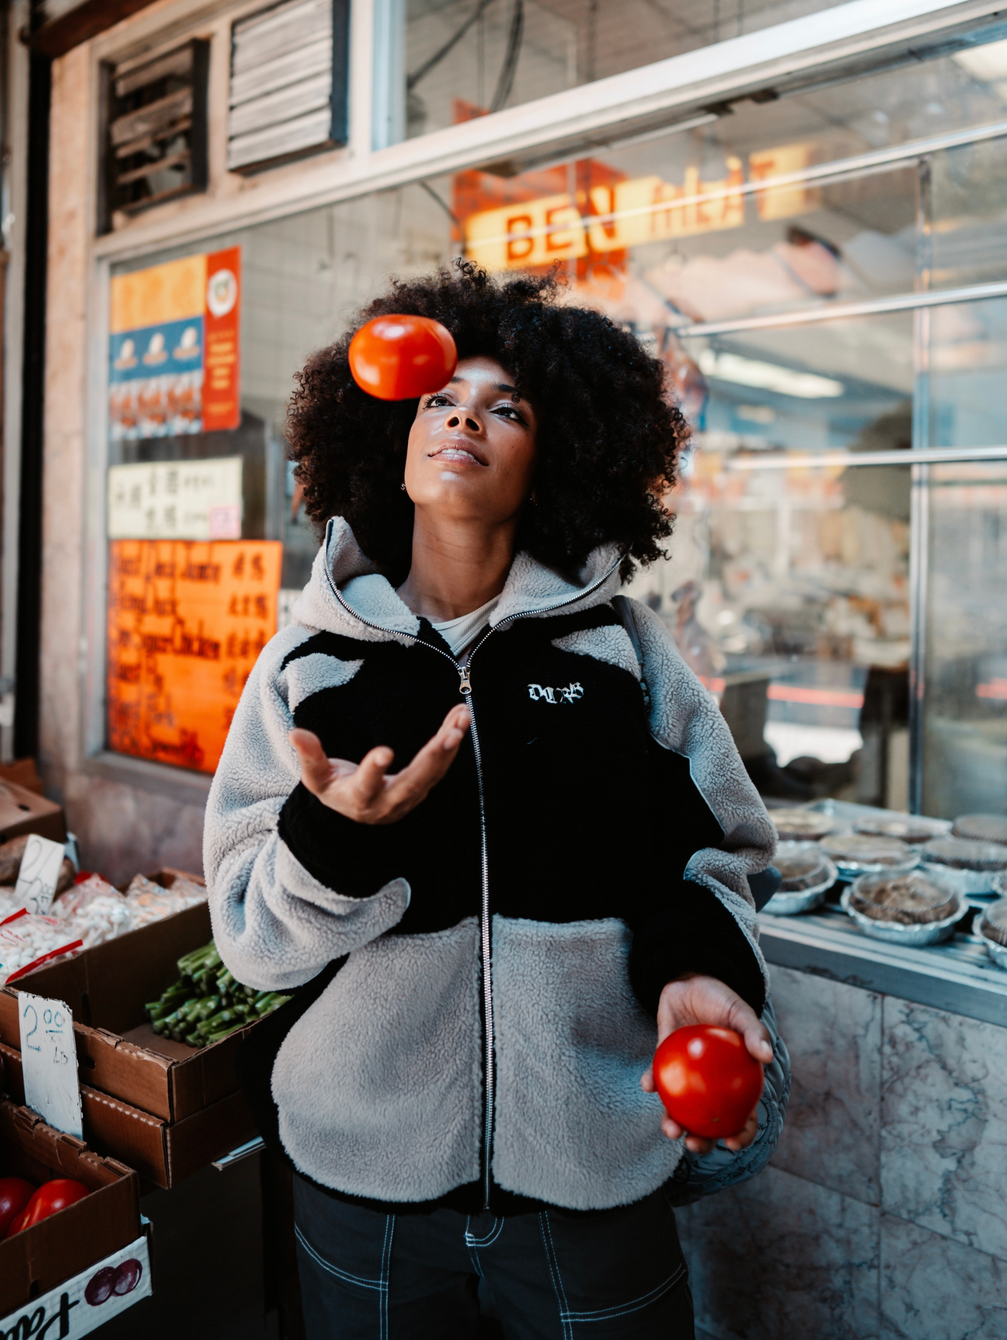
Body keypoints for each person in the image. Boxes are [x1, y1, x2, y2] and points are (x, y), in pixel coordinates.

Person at [203, 262, 776, 1339]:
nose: (464, 416)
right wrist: (336, 841)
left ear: (554, 459)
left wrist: (696, 961)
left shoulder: (627, 656)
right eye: (439, 399)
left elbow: (721, 853)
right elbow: (252, 942)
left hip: (592, 1180)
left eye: (506, 408)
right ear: (393, 439)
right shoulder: (308, 666)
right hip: (363, 1187)